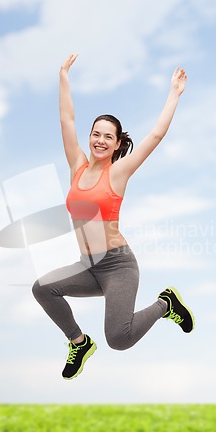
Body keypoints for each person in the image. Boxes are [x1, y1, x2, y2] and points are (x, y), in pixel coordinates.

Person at [32, 54, 194, 379]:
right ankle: (79, 343)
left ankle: (167, 304)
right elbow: (66, 119)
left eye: (108, 136)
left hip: (117, 265)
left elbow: (156, 137)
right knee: (42, 288)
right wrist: (63, 75)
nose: (100, 140)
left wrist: (174, 94)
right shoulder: (76, 166)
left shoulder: (118, 173)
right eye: (96, 134)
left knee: (119, 339)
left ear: (117, 143)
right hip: (86, 265)